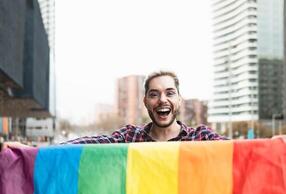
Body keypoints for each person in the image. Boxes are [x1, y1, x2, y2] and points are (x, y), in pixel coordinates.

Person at [1, 70, 227, 151]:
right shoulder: (130, 137)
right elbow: (87, 144)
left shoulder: (201, 137)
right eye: (154, 94)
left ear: (179, 100)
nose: (162, 100)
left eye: (169, 93)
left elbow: (246, 155)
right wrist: (29, 151)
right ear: (146, 102)